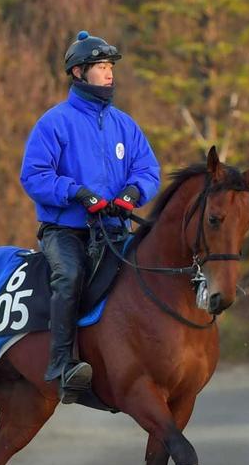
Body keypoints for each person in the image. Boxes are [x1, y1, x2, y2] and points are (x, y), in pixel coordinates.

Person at [20, 30, 161, 403]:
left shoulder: (125, 125)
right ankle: (62, 367)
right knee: (69, 276)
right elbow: (33, 176)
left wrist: (132, 194)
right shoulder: (53, 123)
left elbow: (148, 170)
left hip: (115, 229)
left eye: (111, 66)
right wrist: (78, 193)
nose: (109, 73)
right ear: (79, 73)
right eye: (101, 66)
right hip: (65, 231)